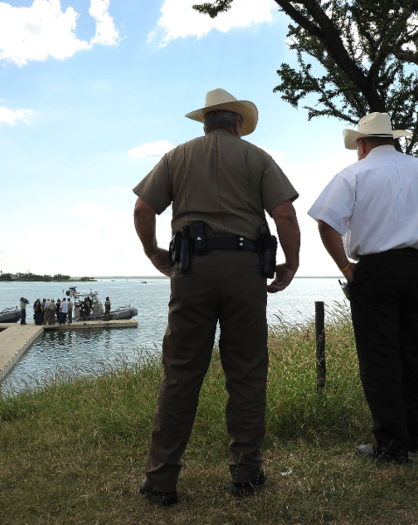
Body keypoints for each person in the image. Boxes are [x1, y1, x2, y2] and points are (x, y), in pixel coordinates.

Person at [133, 88, 300, 504]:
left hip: (191, 270)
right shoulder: (258, 157)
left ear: (205, 123)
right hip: (246, 271)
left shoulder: (177, 156)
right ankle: (246, 475)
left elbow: (142, 209)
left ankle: (161, 481)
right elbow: (284, 214)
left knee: (181, 373)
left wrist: (153, 251)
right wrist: (292, 263)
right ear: (238, 124)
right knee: (246, 372)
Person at [308, 112, 418, 464]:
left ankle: (392, 445)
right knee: (415, 352)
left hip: (375, 272)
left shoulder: (354, 173)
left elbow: (326, 222)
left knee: (381, 359)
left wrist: (348, 269)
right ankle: (416, 437)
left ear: (361, 145)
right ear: (393, 139)